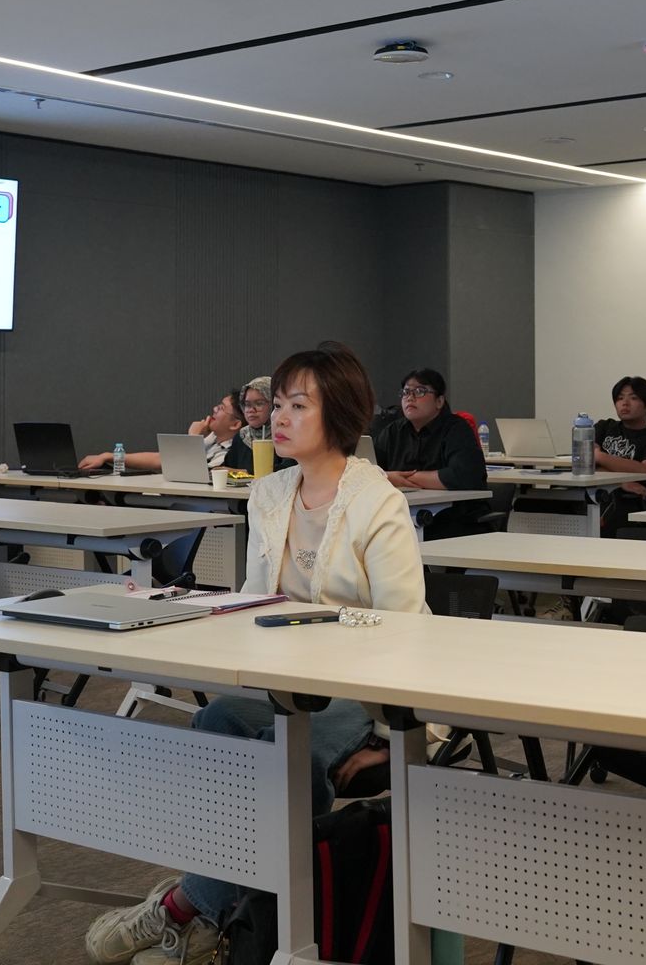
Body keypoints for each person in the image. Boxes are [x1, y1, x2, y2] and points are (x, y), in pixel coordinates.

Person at [84, 344, 425, 965]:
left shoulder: (379, 503)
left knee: (284, 759)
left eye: (300, 404)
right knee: (216, 723)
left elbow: (402, 631)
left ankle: (188, 910)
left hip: (363, 684)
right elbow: (255, 600)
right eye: (281, 405)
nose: (281, 417)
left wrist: (388, 731)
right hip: (284, 676)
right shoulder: (268, 493)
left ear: (341, 416)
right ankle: (234, 915)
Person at [371, 367, 487, 539]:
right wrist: (389, 476)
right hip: (402, 518)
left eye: (420, 391)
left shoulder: (456, 429)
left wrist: (402, 478)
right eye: (405, 392)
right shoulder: (393, 431)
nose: (410, 397)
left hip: (455, 519)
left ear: (439, 401)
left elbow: (463, 476)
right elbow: (368, 469)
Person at [77, 390, 244, 474]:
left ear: (235, 424)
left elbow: (191, 473)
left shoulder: (232, 452)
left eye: (221, 408)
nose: (214, 410)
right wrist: (108, 456)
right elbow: (161, 459)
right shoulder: (212, 439)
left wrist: (193, 437)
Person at [593, 376, 646, 535]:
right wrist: (619, 482)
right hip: (594, 496)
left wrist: (600, 457)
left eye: (633, 398)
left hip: (628, 507)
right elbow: (585, 460)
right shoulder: (604, 427)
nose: (624, 403)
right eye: (619, 398)